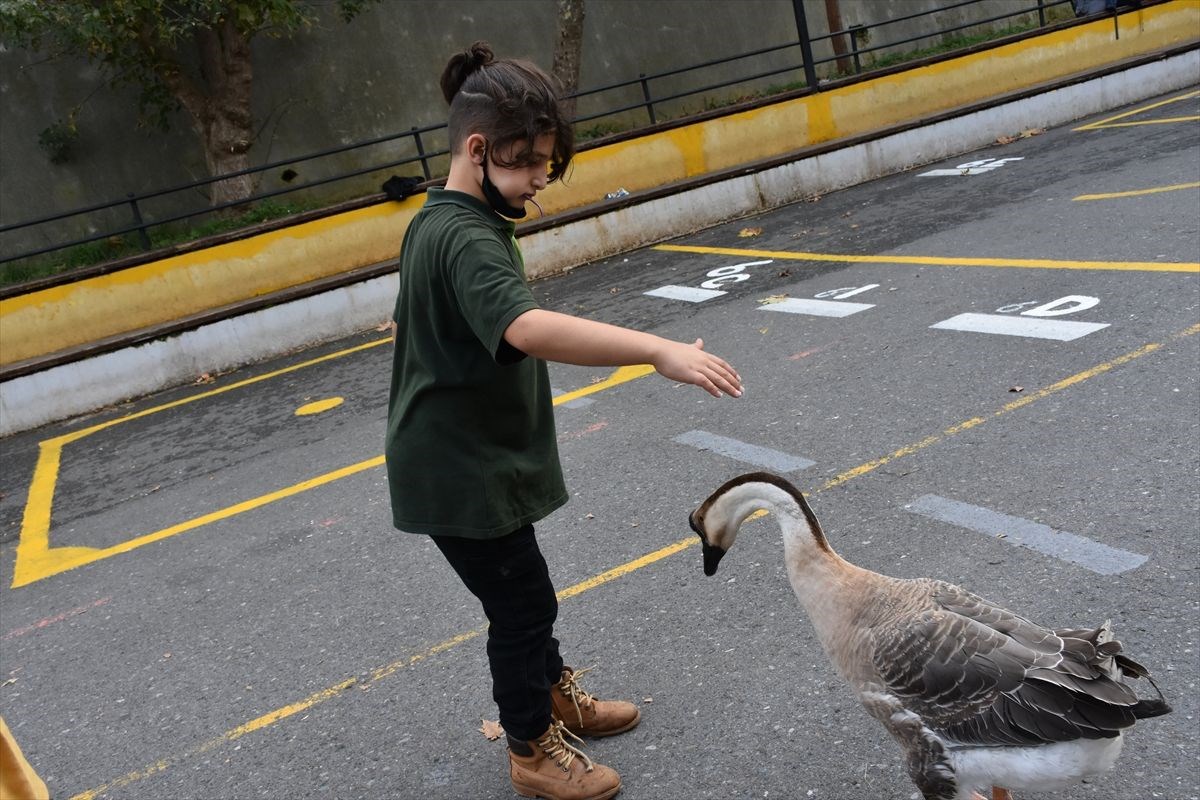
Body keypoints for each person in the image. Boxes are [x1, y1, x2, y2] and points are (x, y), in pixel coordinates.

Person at [385, 41, 742, 800]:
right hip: (462, 469)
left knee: (524, 592)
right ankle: (530, 750)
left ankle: (552, 694)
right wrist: (654, 350)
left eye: (548, 161)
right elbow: (528, 327)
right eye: (530, 162)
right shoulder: (466, 237)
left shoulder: (442, 221)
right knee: (521, 606)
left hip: (468, 456)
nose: (542, 177)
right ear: (478, 149)